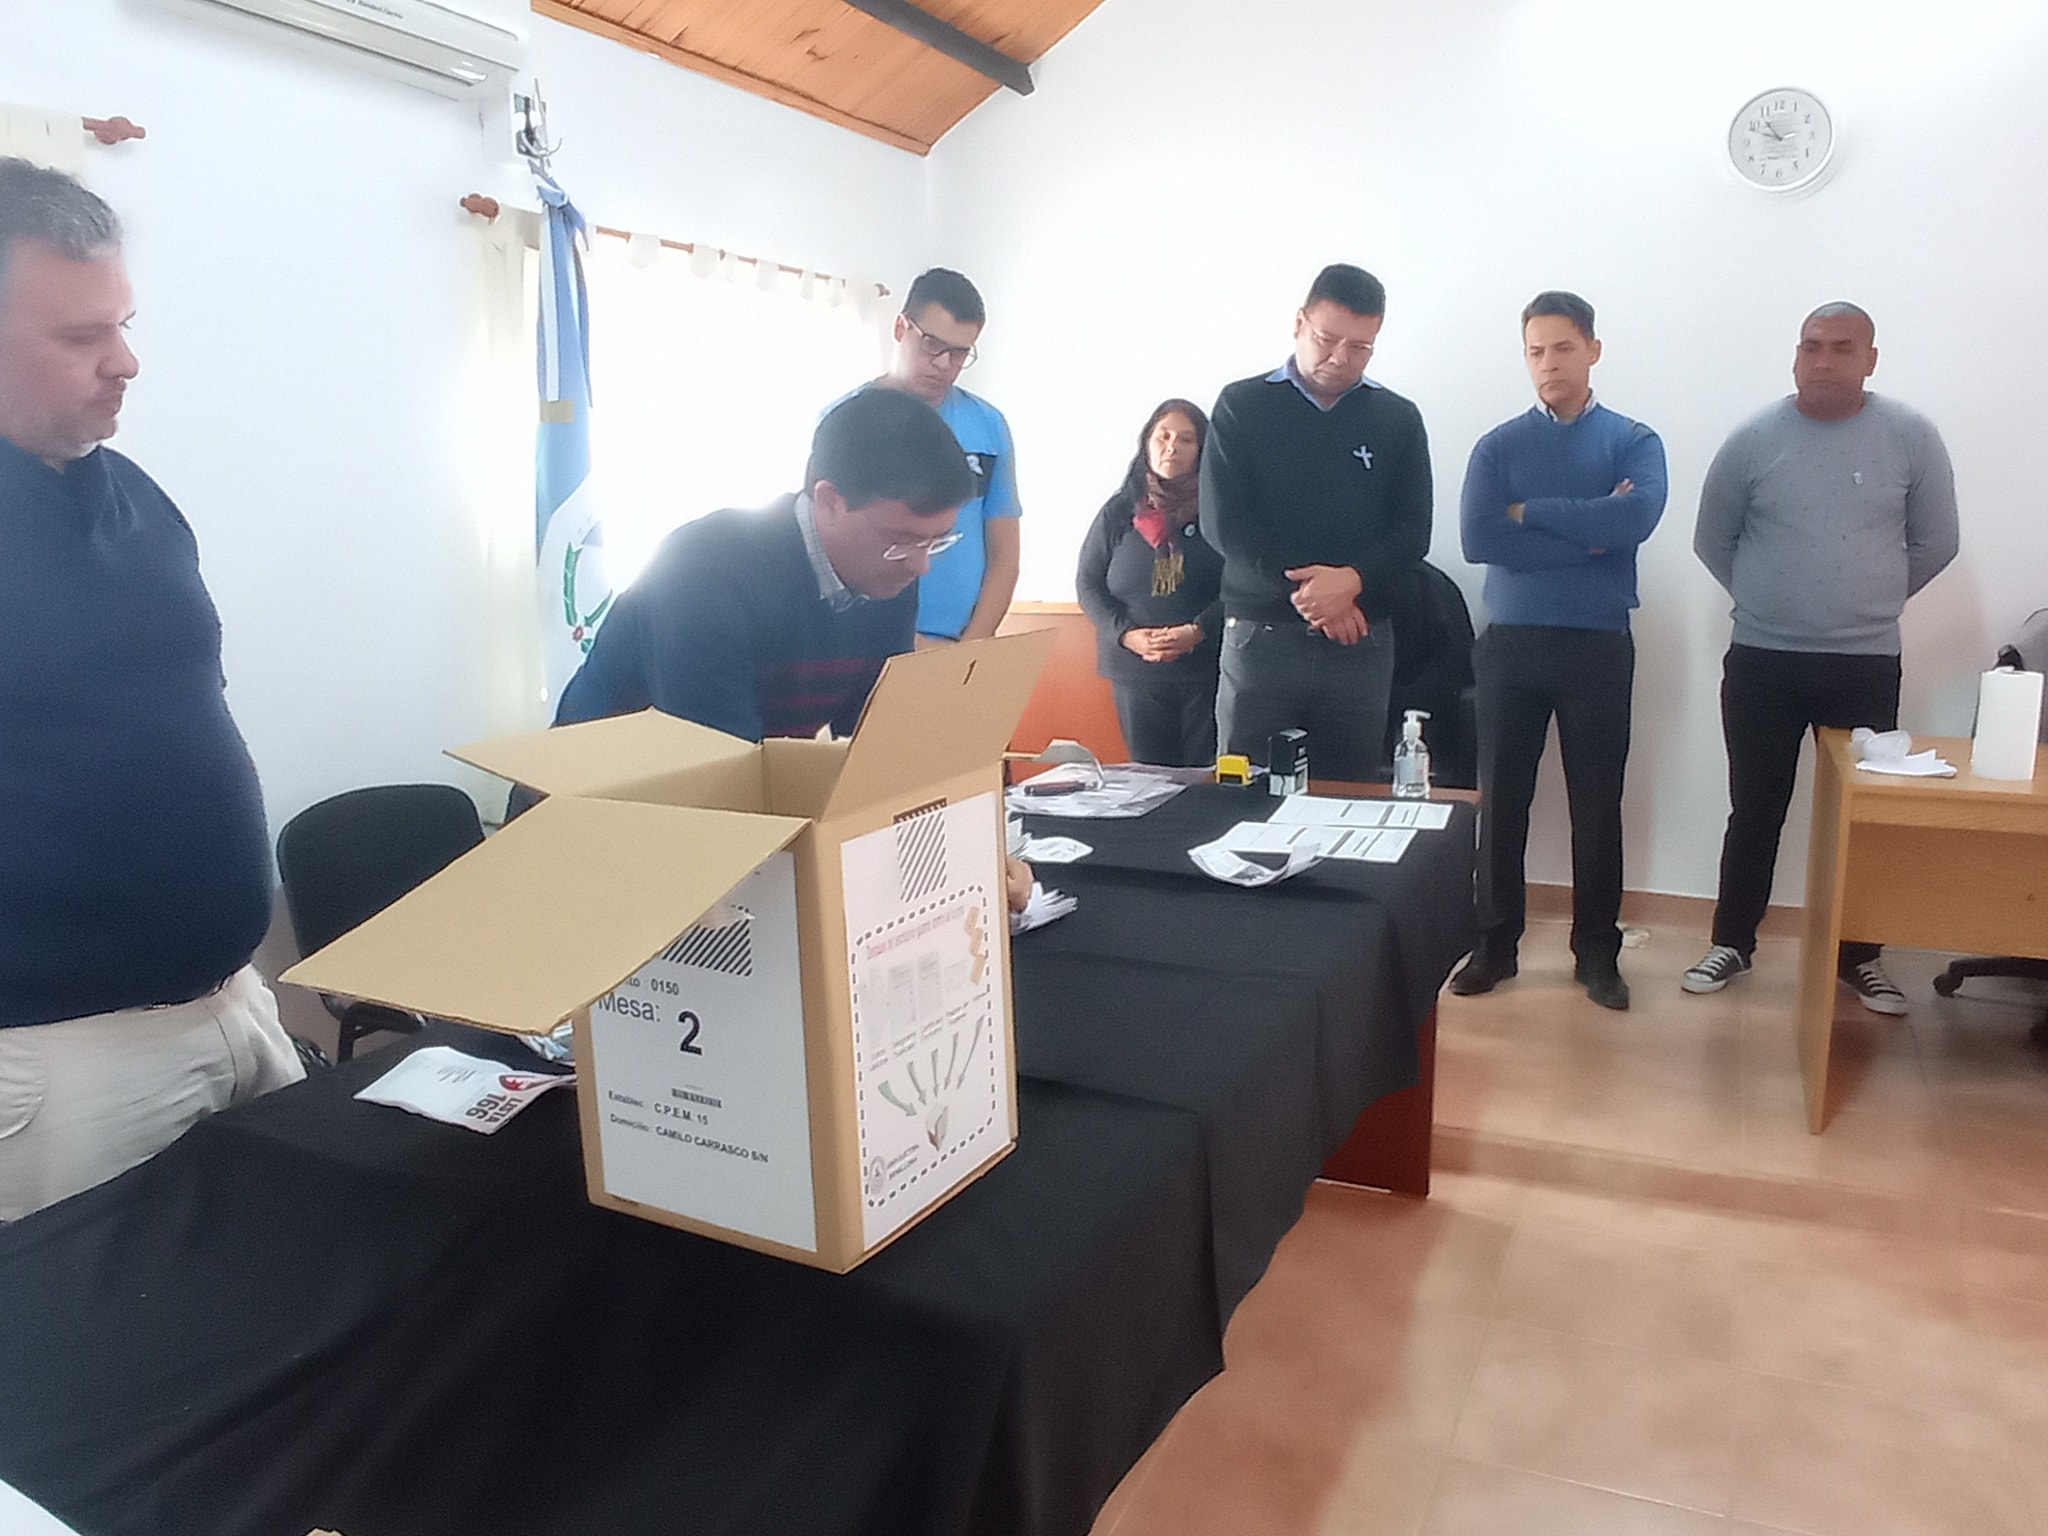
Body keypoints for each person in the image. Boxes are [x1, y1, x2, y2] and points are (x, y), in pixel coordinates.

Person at [0, 158, 301, 1221]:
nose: (125, 362)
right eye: (82, 336)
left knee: (290, 1276)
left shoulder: (132, 492)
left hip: (234, 1003)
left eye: (123, 325)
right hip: (59, 1061)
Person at [1686, 302, 1959, 1012]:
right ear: (1795, 355)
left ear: (1871, 359)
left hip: (1863, 664)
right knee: (1755, 808)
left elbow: (1938, 541)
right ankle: (1731, 943)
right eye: (1811, 346)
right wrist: (1774, 600)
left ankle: (1858, 958)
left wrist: (1867, 601)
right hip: (1763, 660)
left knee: (1861, 820)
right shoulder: (1753, 439)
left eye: (1842, 347)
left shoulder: (1910, 436)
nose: (1824, 360)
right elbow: (1713, 539)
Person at [1451, 292, 1668, 1011]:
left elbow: (1634, 518)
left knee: (1597, 805)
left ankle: (1597, 954)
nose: (1549, 363)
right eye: (1536, 351)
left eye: (1564, 348)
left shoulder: (1633, 440)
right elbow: (1479, 539)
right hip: (1510, 646)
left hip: (1598, 646)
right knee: (1500, 803)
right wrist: (1588, 536)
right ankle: (1494, 946)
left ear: (1593, 350)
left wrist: (1531, 515)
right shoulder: (1498, 445)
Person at [554, 387, 974, 742]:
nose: (921, 565)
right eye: (903, 540)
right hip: (598, 789)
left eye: (935, 541)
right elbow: (720, 768)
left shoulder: (889, 572)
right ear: (829, 501)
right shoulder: (704, 572)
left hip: (740, 787)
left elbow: (870, 739)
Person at [1200, 264, 1432, 781]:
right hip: (1262, 638)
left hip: (1359, 638)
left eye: (1360, 347)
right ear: (1299, 323)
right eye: (1327, 340)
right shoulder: (1242, 405)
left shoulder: (1398, 419)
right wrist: (1315, 596)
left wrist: (1352, 583)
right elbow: (1225, 523)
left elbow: (1413, 531)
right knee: (1244, 792)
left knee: (1347, 793)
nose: (1340, 358)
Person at [831, 268, 1020, 645]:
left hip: (962, 645)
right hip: (868, 643)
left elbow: (1005, 556)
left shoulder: (989, 426)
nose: (944, 364)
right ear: (901, 328)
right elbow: (830, 553)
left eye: (960, 352)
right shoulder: (845, 423)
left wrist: (970, 649)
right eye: (932, 344)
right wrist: (910, 646)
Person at [1075, 398, 1223, 766]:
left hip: (1206, 668)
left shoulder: (1220, 511)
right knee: (1150, 780)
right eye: (1163, 436)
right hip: (1135, 669)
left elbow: (1240, 585)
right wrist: (1127, 635)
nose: (1172, 447)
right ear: (1146, 443)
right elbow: (1088, 583)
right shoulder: (1119, 511)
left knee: (1204, 780)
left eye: (1186, 439)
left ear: (1202, 449)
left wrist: (1197, 631)